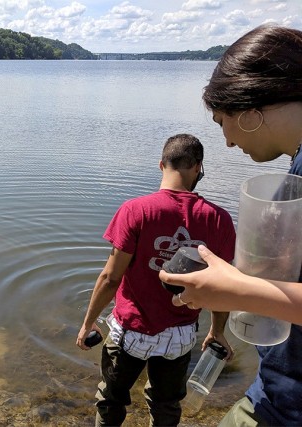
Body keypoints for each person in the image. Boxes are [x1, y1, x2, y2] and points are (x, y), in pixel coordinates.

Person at [159, 25, 302, 426]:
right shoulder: (298, 165)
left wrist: (237, 290)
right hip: (279, 388)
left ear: (251, 111)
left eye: (223, 121)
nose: (226, 142)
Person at [76, 134, 236, 427]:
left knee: (111, 399)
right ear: (198, 168)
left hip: (130, 332)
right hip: (180, 336)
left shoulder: (135, 210)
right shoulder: (219, 220)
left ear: (161, 165)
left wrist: (88, 322)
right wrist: (217, 330)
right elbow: (221, 288)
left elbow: (111, 278)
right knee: (166, 405)